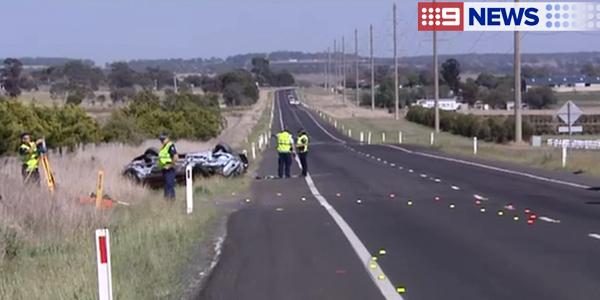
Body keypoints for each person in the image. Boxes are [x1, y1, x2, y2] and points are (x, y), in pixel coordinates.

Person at [158, 133, 178, 200]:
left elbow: (175, 157)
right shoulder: (163, 146)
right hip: (164, 169)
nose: (162, 141)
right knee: (167, 186)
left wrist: (170, 165)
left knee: (169, 186)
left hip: (169, 169)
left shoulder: (170, 145)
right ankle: (167, 201)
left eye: (163, 139)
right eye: (161, 140)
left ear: (167, 138)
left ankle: (170, 201)